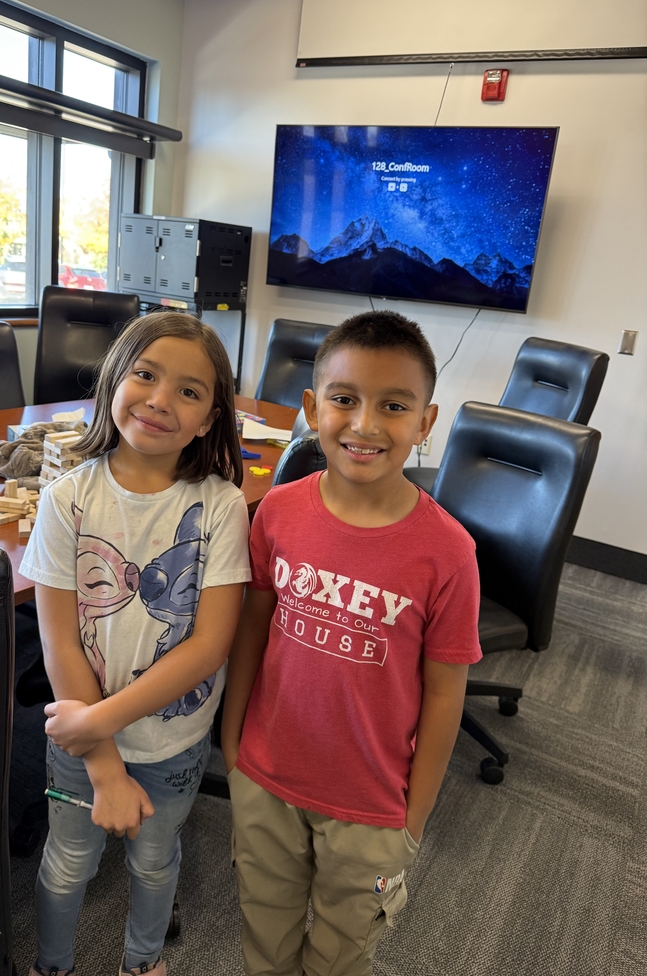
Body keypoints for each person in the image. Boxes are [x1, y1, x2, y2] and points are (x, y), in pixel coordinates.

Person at [221, 310, 482, 976]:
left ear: (425, 423)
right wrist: (232, 740)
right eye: (344, 399)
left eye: (393, 406)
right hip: (266, 778)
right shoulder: (278, 511)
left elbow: (447, 690)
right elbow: (253, 625)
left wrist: (414, 818)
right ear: (312, 408)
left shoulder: (448, 553)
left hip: (371, 806)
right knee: (265, 941)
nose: (364, 424)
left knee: (340, 956)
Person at [19, 311, 251, 976]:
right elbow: (58, 639)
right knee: (67, 865)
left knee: (156, 859)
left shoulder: (223, 506)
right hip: (82, 746)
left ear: (209, 418)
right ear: (115, 380)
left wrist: (97, 723)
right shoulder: (67, 498)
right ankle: (51, 967)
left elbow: (209, 647)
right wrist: (102, 760)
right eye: (146, 375)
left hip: (171, 745)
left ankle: (142, 965)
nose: (159, 399)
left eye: (189, 390)